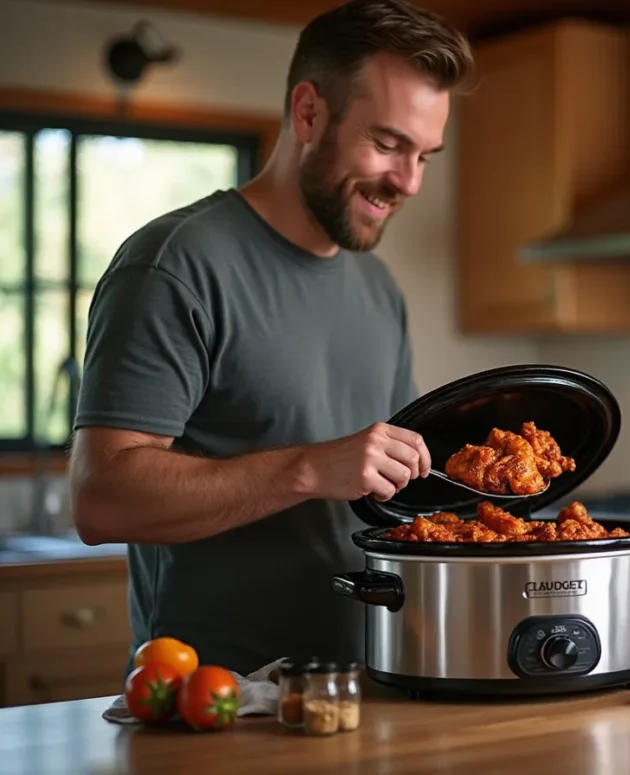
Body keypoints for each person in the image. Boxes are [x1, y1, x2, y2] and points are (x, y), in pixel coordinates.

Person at [68, 0, 476, 678]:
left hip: (365, 689)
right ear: (310, 113)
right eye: (387, 144)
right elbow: (100, 497)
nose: (408, 181)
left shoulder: (378, 288)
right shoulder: (174, 264)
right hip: (217, 706)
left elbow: (395, 496)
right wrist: (309, 468)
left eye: (425, 155)